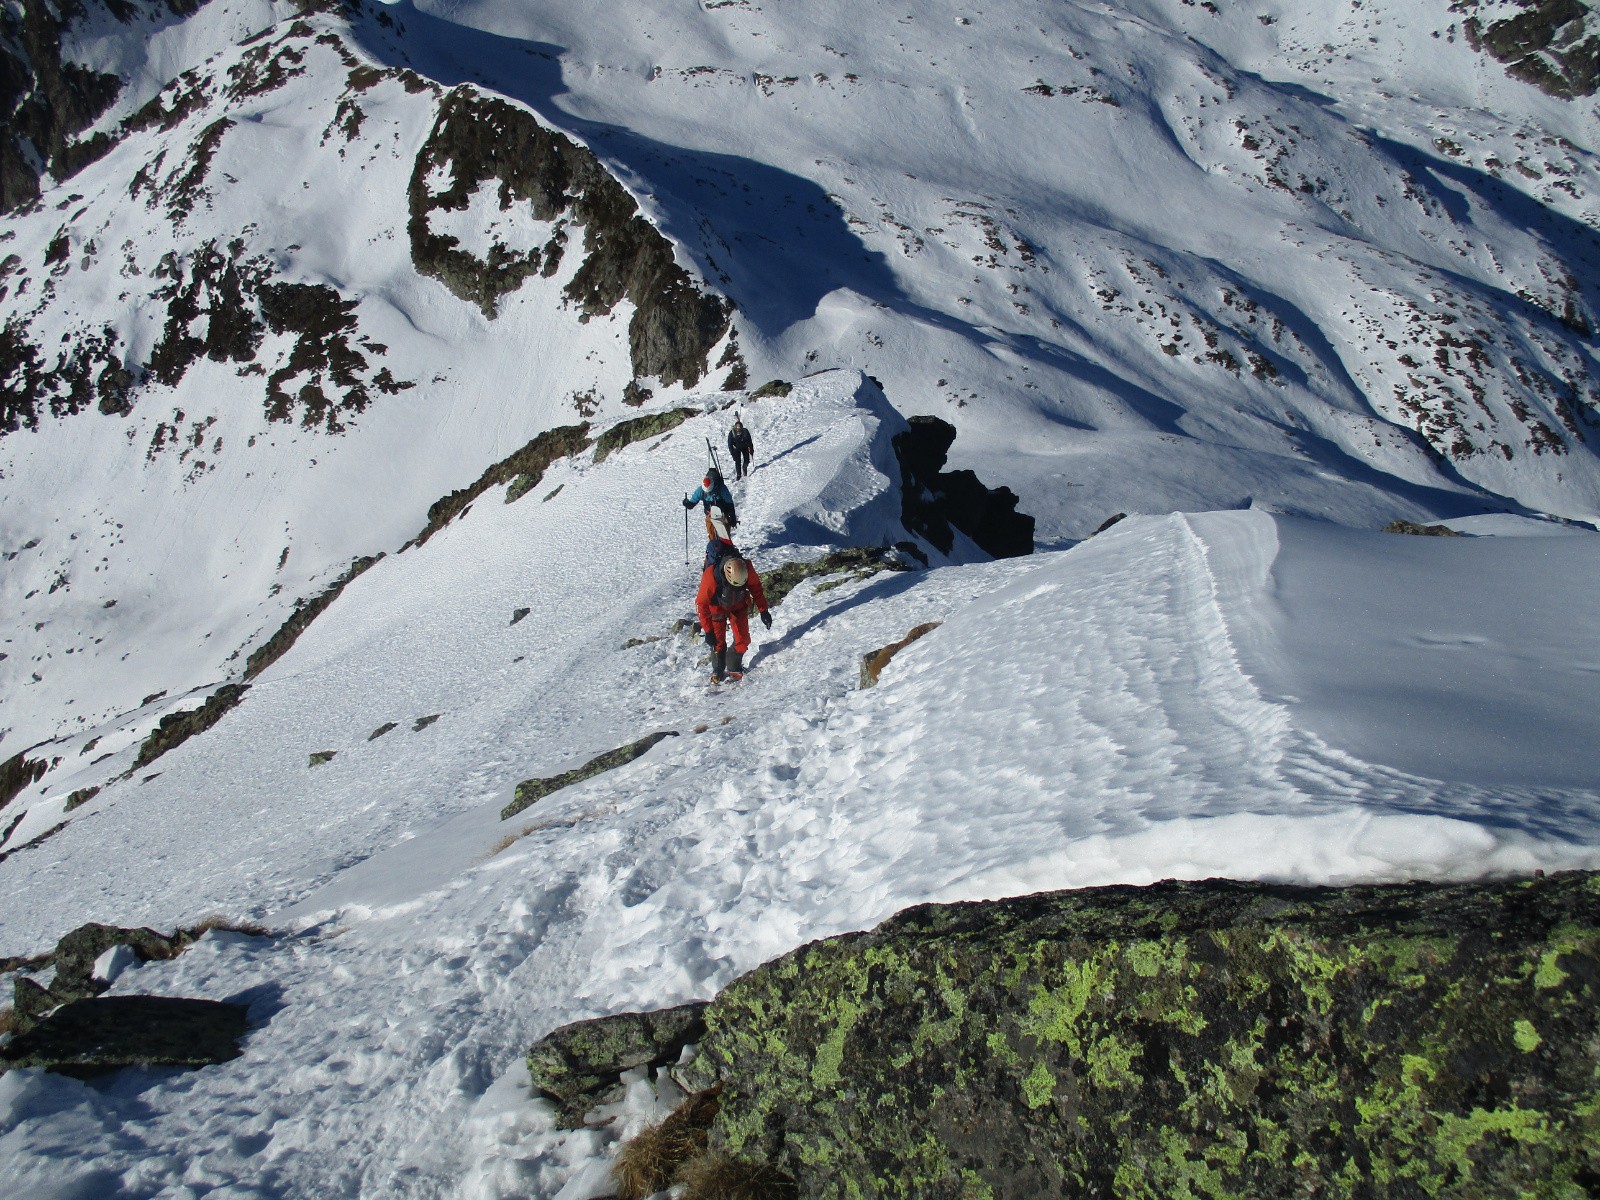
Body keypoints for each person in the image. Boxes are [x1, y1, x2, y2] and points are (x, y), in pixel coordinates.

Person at [696, 552, 772, 682]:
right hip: (717, 607)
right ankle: (718, 669)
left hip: (738, 604)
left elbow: (756, 589)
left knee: (743, 640)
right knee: (717, 642)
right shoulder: (711, 577)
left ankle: (733, 666)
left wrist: (763, 610)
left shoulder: (747, 568)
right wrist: (708, 631)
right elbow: (701, 604)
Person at [682, 467, 736, 538]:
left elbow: (729, 503)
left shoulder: (721, 488)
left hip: (723, 513)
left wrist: (732, 517)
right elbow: (692, 503)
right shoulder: (700, 490)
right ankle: (714, 545)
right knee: (711, 533)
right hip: (709, 514)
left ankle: (727, 546)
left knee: (725, 534)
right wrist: (687, 503)